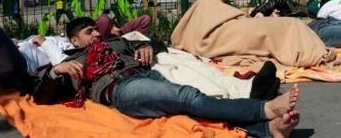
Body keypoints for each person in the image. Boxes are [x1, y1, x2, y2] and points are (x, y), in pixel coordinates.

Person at [33, 17, 300, 138]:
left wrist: (145, 47)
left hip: (147, 74)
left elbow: (156, 44)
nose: (96, 35)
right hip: (122, 89)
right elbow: (40, 97)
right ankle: (263, 109)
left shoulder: (115, 43)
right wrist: (56, 71)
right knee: (187, 97)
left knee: (189, 106)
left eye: (96, 30)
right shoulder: (71, 62)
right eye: (89, 32)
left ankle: (267, 130)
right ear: (74, 39)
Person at [171, 0, 340, 69]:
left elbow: (231, 16)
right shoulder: (206, 1)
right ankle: (313, 52)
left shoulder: (220, 8)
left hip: (236, 30)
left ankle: (310, 47)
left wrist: (250, 14)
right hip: (229, 34)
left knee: (286, 23)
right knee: (289, 25)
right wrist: (250, 16)